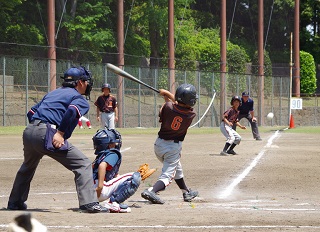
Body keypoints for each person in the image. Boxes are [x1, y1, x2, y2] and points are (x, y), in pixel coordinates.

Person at [7, 66, 109, 213]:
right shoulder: (78, 98)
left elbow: (31, 112)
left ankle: (15, 202)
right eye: (86, 81)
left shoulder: (53, 93)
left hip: (29, 132)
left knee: (28, 167)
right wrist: (59, 133)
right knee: (83, 164)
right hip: (47, 133)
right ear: (79, 82)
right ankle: (89, 203)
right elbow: (72, 111)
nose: (88, 84)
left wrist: (38, 127)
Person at [141, 83, 199, 204]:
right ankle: (152, 190)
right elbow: (178, 106)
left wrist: (166, 95)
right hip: (172, 148)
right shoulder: (190, 115)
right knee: (167, 175)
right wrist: (167, 94)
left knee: (177, 168)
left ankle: (186, 192)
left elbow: (169, 107)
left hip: (159, 145)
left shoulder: (167, 107)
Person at [91, 128, 156, 212]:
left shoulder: (99, 156)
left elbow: (113, 176)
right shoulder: (113, 153)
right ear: (109, 145)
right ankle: (113, 203)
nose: (116, 143)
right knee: (134, 176)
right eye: (113, 142)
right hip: (100, 190)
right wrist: (100, 187)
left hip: (91, 192)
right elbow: (102, 166)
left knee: (129, 178)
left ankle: (111, 201)